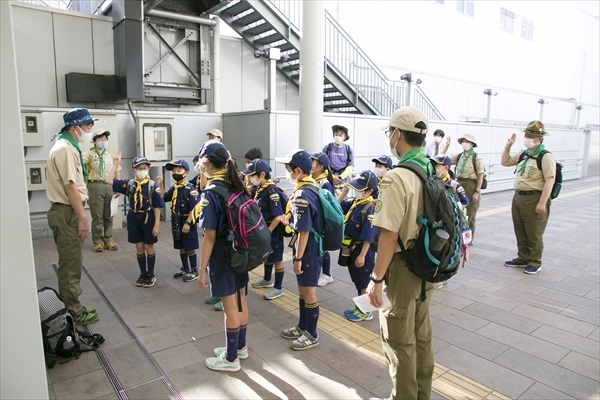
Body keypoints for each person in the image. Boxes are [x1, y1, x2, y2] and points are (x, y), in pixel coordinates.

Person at [366, 106, 434, 400]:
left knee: (398, 341)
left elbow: (389, 235)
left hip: (403, 270)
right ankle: (421, 394)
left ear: (396, 133)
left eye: (389, 133)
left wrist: (376, 278)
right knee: (421, 337)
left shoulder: (397, 177)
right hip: (426, 265)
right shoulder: (429, 168)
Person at [195, 141, 249, 372]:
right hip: (240, 253)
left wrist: (201, 269)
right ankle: (240, 348)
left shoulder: (212, 192)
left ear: (206, 162)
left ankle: (230, 359)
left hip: (223, 256)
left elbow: (209, 236)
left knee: (229, 308)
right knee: (240, 301)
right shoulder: (236, 186)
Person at [46, 108, 99, 325]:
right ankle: (73, 311)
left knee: (72, 260)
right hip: (66, 211)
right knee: (70, 263)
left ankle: (72, 305)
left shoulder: (67, 146)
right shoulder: (65, 149)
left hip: (67, 210)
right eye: (87, 126)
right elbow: (70, 187)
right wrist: (83, 217)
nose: (90, 131)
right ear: (74, 127)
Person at [275, 149, 324, 350]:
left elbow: (303, 231)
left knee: (309, 292)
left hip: (308, 250)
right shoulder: (311, 187)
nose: (287, 173)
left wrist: (298, 259)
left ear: (297, 170)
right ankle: (303, 326)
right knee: (303, 290)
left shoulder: (303, 194)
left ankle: (312, 334)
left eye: (288, 169)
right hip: (308, 247)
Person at [501, 120, 555, 275]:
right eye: (526, 134)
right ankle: (522, 257)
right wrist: (508, 146)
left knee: (534, 231)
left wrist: (542, 202)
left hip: (534, 197)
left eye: (530, 135)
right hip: (519, 196)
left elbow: (550, 180)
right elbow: (505, 162)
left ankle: (535, 261)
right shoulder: (524, 154)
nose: (527, 138)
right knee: (520, 229)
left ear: (539, 138)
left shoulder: (545, 156)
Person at [106, 155, 164, 288]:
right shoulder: (129, 184)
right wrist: (115, 165)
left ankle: (150, 274)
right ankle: (143, 273)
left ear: (148, 169)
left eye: (144, 168)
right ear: (134, 170)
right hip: (134, 217)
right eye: (139, 168)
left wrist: (156, 225)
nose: (142, 170)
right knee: (139, 247)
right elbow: (108, 180)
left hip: (147, 218)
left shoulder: (151, 186)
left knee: (148, 246)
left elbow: (157, 206)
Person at [337, 171, 378, 322]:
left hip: (363, 250)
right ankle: (360, 306)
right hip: (352, 248)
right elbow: (337, 205)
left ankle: (366, 311)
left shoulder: (370, 208)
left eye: (360, 189)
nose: (356, 191)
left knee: (364, 280)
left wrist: (362, 255)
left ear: (369, 191)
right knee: (357, 279)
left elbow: (369, 235)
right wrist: (344, 191)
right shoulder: (356, 203)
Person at [243, 159, 286, 300]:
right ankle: (267, 279)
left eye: (252, 175)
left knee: (277, 258)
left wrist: (268, 231)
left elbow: (278, 216)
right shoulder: (258, 189)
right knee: (267, 255)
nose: (250, 178)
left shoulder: (271, 191)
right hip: (263, 229)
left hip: (271, 230)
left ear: (262, 174)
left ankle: (278, 287)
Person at [431, 154, 470, 289]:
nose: (435, 168)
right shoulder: (433, 181)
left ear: (446, 167)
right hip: (437, 222)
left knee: (446, 249)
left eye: (437, 165)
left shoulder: (453, 184)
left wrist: (452, 211)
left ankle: (443, 277)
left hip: (450, 224)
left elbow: (464, 202)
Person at [158, 159, 200, 282]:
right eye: (174, 170)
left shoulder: (190, 189)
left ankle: (194, 270)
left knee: (189, 246)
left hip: (187, 219)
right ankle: (185, 268)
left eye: (179, 170)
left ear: (186, 173)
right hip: (176, 219)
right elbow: (165, 197)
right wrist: (160, 184)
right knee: (180, 244)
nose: (176, 172)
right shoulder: (175, 188)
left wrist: (188, 222)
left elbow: (194, 208)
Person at [83, 129, 121, 252]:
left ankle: (108, 239)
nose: (103, 142)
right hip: (95, 185)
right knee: (97, 216)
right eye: (100, 139)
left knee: (109, 214)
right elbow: (78, 164)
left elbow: (116, 170)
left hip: (109, 185)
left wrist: (118, 186)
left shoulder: (110, 154)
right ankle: (97, 241)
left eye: (105, 139)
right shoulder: (88, 154)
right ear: (94, 141)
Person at [450, 133, 485, 242]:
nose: (464, 143)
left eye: (467, 141)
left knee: (470, 213)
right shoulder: (460, 156)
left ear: (472, 144)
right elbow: (446, 160)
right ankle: (459, 236)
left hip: (471, 185)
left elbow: (480, 176)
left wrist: (476, 192)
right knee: (459, 210)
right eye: (463, 141)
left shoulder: (477, 157)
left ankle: (468, 239)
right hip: (460, 183)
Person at [310, 152, 335, 287]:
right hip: (316, 222)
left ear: (320, 167)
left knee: (323, 249)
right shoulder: (314, 180)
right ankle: (324, 273)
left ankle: (326, 274)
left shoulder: (325, 184)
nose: (310, 163)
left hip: (323, 223)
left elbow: (330, 206)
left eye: (313, 161)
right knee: (321, 248)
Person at [323, 125, 354, 189]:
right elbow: (324, 165)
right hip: (329, 183)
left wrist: (340, 177)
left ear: (345, 137)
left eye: (340, 135)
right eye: (336, 135)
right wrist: (332, 177)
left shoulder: (348, 150)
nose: (338, 137)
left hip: (343, 184)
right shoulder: (327, 148)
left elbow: (350, 166)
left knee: (342, 198)